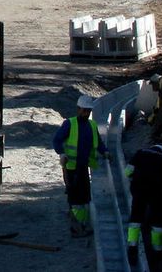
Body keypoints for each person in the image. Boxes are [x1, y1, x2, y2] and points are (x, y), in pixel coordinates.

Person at [53, 95, 103, 237]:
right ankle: (77, 228)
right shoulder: (70, 124)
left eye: (88, 111)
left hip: (83, 167)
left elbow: (98, 143)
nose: (86, 113)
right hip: (71, 168)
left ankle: (80, 223)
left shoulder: (92, 125)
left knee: (84, 198)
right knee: (76, 199)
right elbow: (57, 141)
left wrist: (105, 152)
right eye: (84, 110)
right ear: (78, 109)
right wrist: (61, 153)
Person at [125, 142, 162, 266]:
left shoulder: (140, 154)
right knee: (158, 222)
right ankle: (157, 251)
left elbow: (127, 172)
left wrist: (134, 178)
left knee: (135, 219)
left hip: (139, 190)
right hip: (156, 192)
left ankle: (132, 247)